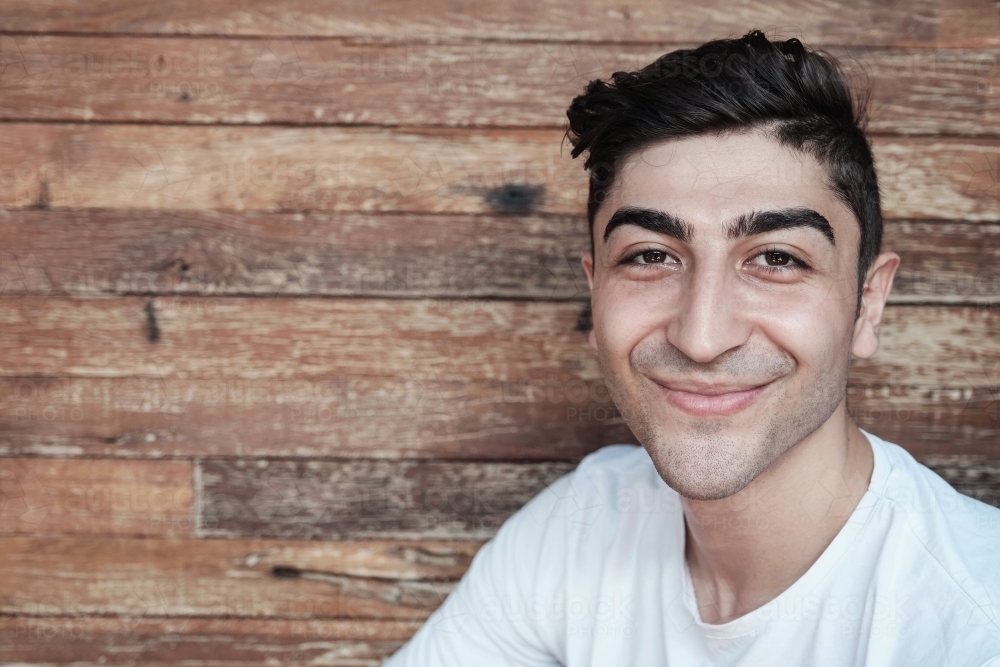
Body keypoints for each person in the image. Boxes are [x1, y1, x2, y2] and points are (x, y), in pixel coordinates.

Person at [383, 30, 1000, 666]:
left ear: (867, 303)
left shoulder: (974, 621)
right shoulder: (578, 526)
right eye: (651, 256)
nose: (702, 338)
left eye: (777, 258)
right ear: (595, 294)